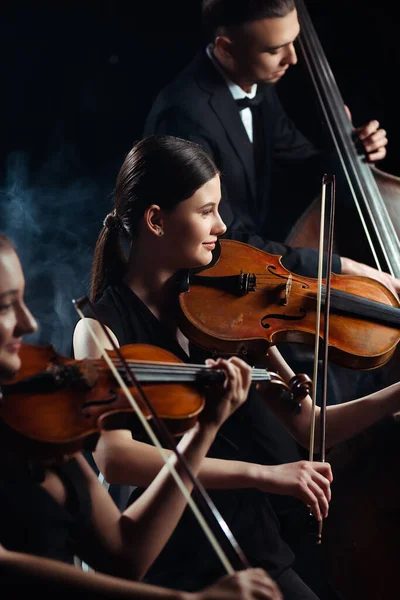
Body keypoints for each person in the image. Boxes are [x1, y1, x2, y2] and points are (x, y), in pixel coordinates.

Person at [73, 135, 400, 599]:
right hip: (173, 561)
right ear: (156, 221)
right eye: (205, 211)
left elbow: (313, 427)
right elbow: (116, 458)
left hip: (251, 542)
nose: (222, 226)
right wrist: (262, 475)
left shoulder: (230, 310)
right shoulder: (100, 330)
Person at [0, 231, 281, 600]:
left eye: (22, 301)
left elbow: (124, 554)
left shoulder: (34, 419)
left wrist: (205, 430)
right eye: (5, 307)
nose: (29, 324)